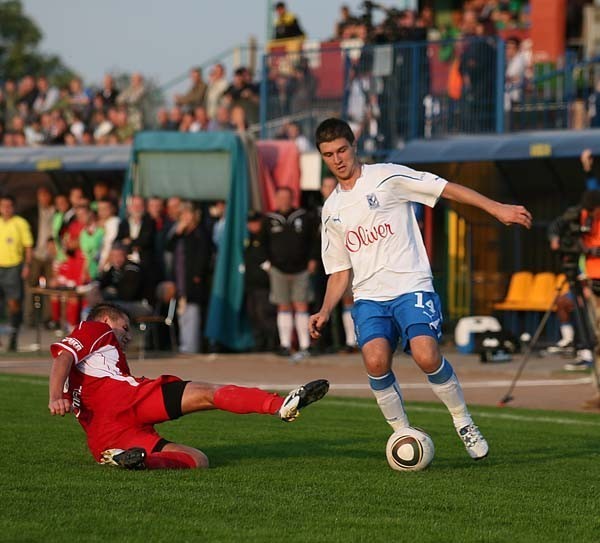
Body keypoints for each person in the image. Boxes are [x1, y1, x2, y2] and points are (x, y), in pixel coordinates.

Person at [309, 118, 532, 459]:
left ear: (354, 146)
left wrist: (496, 208)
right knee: (375, 361)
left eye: (341, 150)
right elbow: (339, 271)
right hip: (370, 297)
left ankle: (463, 422)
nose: (337, 159)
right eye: (328, 154)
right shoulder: (332, 211)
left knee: (427, 355)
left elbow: (445, 188)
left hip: (411, 284)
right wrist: (325, 310)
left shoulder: (387, 176)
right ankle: (403, 436)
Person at [49, 302, 329, 470]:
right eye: (125, 328)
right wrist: (56, 395)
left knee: (197, 459)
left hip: (104, 439)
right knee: (207, 393)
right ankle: (278, 405)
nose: (127, 336)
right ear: (107, 320)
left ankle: (134, 460)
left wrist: (64, 394)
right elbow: (63, 357)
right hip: (124, 401)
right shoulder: (96, 328)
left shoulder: (101, 362)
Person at [261, 186, 319, 361]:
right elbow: (262, 243)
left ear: (292, 198)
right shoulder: (270, 220)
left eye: (287, 197)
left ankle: (305, 345)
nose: (284, 201)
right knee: (283, 306)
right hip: (278, 269)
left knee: (301, 305)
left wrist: (312, 259)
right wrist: (268, 264)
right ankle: (285, 344)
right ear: (276, 199)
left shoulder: (304, 217)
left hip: (301, 268)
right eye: (281, 197)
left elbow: (314, 240)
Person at [0, 195, 33, 351]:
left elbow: (28, 246)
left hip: (13, 267)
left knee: (14, 302)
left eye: (9, 206)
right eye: (3, 206)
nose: (6, 209)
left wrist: (27, 265)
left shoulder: (20, 223)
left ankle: (13, 337)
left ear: (13, 207)